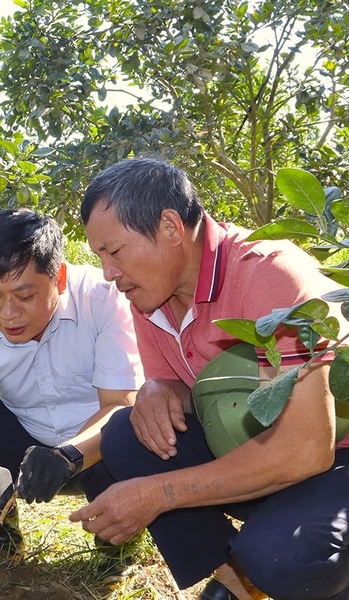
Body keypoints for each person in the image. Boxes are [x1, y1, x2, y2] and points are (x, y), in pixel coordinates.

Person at [73, 157, 349, 600]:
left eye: (115, 251)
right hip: (256, 446)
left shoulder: (270, 276)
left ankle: (277, 561)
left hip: (332, 457)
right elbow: (185, 388)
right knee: (126, 434)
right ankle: (235, 574)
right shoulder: (151, 294)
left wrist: (160, 494)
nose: (108, 273)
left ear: (170, 227)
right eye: (99, 257)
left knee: (281, 557)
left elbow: (306, 448)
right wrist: (157, 388)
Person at [0, 208, 143, 574]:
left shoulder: (102, 300)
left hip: (98, 448)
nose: (8, 313)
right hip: (26, 441)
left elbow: (120, 406)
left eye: (24, 295)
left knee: (127, 433)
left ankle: (116, 546)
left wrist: (66, 455)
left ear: (60, 278)